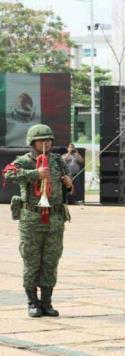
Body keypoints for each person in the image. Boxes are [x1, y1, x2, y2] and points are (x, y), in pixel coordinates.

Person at [2, 124, 73, 318]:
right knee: (31, 260)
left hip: (55, 218)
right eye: (41, 140)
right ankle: (32, 301)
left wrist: (69, 183)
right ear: (32, 143)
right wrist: (34, 174)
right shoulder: (24, 161)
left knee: (51, 261)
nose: (45, 144)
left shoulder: (58, 161)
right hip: (31, 219)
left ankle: (47, 302)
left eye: (48, 140)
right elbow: (8, 173)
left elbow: (67, 185)